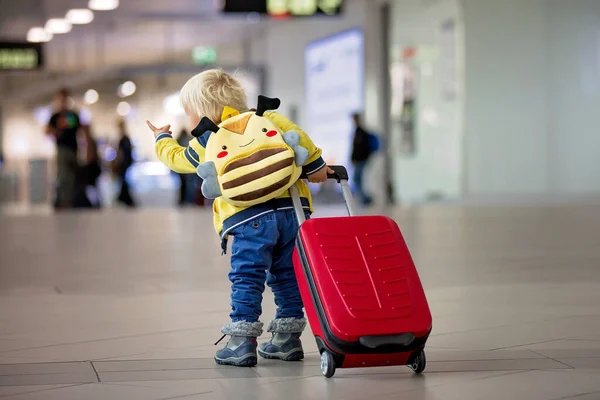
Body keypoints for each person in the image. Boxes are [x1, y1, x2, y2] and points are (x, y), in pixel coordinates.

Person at [146, 69, 332, 367]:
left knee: (248, 276)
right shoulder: (266, 118)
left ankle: (241, 342)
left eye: (189, 112)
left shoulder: (208, 135)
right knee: (287, 274)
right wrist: (317, 168)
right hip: (291, 212)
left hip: (248, 218)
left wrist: (161, 138)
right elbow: (304, 143)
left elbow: (178, 160)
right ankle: (288, 340)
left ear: (203, 110)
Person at [46, 88, 81, 210]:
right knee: (63, 176)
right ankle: (62, 202)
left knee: (72, 177)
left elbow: (82, 130)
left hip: (73, 150)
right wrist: (56, 132)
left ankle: (71, 202)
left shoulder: (73, 115)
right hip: (62, 150)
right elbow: (47, 130)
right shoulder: (55, 116)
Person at [72, 125, 102, 209]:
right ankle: (96, 204)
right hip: (92, 168)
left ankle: (95, 205)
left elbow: (90, 157)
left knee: (91, 188)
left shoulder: (89, 141)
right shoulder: (89, 140)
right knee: (92, 188)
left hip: (91, 168)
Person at [350, 113, 374, 205]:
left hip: (360, 160)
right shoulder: (359, 131)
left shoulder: (360, 132)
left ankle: (364, 199)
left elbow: (358, 148)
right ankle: (363, 198)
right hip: (360, 160)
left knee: (357, 179)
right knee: (359, 179)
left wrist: (355, 158)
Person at [114, 120, 136, 207]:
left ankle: (124, 198)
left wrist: (118, 162)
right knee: (123, 181)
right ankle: (124, 198)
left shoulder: (124, 139)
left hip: (124, 163)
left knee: (123, 180)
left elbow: (121, 153)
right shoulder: (126, 139)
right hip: (126, 163)